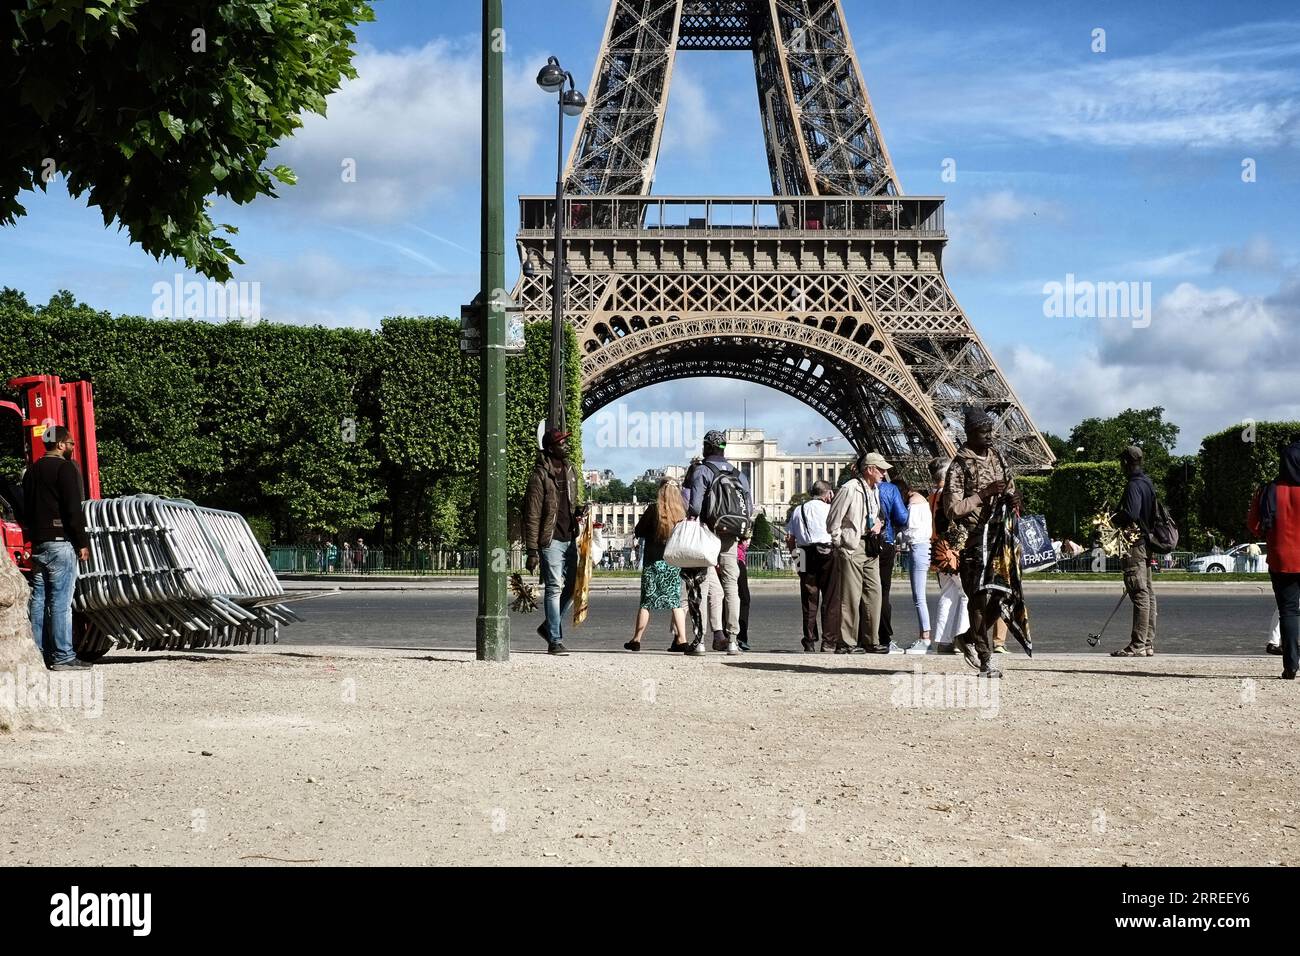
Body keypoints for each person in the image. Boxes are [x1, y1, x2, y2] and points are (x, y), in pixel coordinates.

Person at [942, 408, 1019, 678]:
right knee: (977, 598)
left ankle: (969, 637)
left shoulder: (997, 456)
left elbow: (1010, 487)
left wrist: (1013, 499)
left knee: (1003, 595)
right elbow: (952, 509)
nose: (989, 436)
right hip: (973, 539)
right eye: (983, 432)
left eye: (990, 431)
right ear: (969, 434)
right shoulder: (959, 466)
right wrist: (982, 494)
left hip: (998, 537)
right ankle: (986, 658)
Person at [23, 425, 91, 670]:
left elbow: (26, 508)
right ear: (61, 444)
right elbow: (73, 508)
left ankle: (37, 652)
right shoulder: (65, 468)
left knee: (39, 600)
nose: (72, 447)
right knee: (61, 602)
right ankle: (63, 656)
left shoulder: (31, 471)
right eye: (71, 443)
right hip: (60, 544)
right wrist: (81, 542)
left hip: (39, 544)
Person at [683, 430, 752, 656]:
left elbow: (694, 507)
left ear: (706, 447)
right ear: (724, 448)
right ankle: (733, 640)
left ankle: (699, 640)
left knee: (701, 586)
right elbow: (748, 509)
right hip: (730, 535)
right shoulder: (738, 474)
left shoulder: (703, 470)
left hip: (707, 532)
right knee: (732, 586)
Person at [523, 428, 582, 655]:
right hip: (551, 540)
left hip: (570, 536)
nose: (566, 445)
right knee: (554, 588)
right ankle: (555, 640)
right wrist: (532, 550)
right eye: (561, 443)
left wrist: (578, 511)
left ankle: (549, 626)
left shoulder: (570, 470)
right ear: (550, 449)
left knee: (573, 587)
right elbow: (532, 514)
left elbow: (569, 502)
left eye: (566, 442)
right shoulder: (539, 476)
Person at [1248, 435, 1300, 679]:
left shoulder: (1268, 490)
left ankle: (1290, 665)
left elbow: (1255, 526)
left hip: (1282, 558)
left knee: (1288, 612)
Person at [827, 452, 886, 653]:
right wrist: (841, 544)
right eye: (881, 469)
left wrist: (879, 524)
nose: (885, 473)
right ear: (869, 469)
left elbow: (875, 514)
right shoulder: (849, 489)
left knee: (874, 594)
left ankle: (871, 640)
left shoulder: (874, 489)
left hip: (870, 545)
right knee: (850, 596)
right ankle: (847, 642)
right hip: (852, 546)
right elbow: (833, 520)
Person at [625, 479, 689, 652]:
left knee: (646, 603)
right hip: (673, 564)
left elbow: (639, 531)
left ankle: (636, 639)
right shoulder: (682, 514)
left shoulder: (654, 510)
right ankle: (682, 639)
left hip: (653, 563)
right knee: (675, 602)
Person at [1110, 446, 1158, 657]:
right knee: (1148, 593)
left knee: (1138, 592)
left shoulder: (1133, 485)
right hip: (1147, 542)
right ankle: (1147, 642)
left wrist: (1112, 519)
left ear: (1127, 462)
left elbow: (1131, 513)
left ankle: (1137, 644)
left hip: (1135, 543)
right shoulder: (1147, 483)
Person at [862, 468, 911, 652]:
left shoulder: (853, 486)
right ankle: (883, 637)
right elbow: (902, 517)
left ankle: (862, 636)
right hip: (885, 542)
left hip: (862, 543)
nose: (883, 472)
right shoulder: (890, 489)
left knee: (861, 591)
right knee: (882, 591)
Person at [787, 480, 834, 651]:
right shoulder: (830, 509)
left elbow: (790, 540)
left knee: (808, 599)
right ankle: (828, 640)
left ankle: (809, 640)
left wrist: (797, 562)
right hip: (827, 552)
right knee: (829, 598)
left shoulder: (798, 510)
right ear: (828, 494)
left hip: (804, 553)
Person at [927, 457, 968, 655]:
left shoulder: (931, 495)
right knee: (967, 593)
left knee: (947, 595)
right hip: (952, 550)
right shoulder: (947, 495)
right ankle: (963, 636)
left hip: (938, 549)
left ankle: (944, 640)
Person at [894, 476, 933, 654]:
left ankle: (925, 638)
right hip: (921, 547)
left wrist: (898, 533)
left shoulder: (914, 503)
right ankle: (923, 637)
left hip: (918, 548)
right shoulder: (920, 501)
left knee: (919, 597)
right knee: (919, 597)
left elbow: (911, 531)